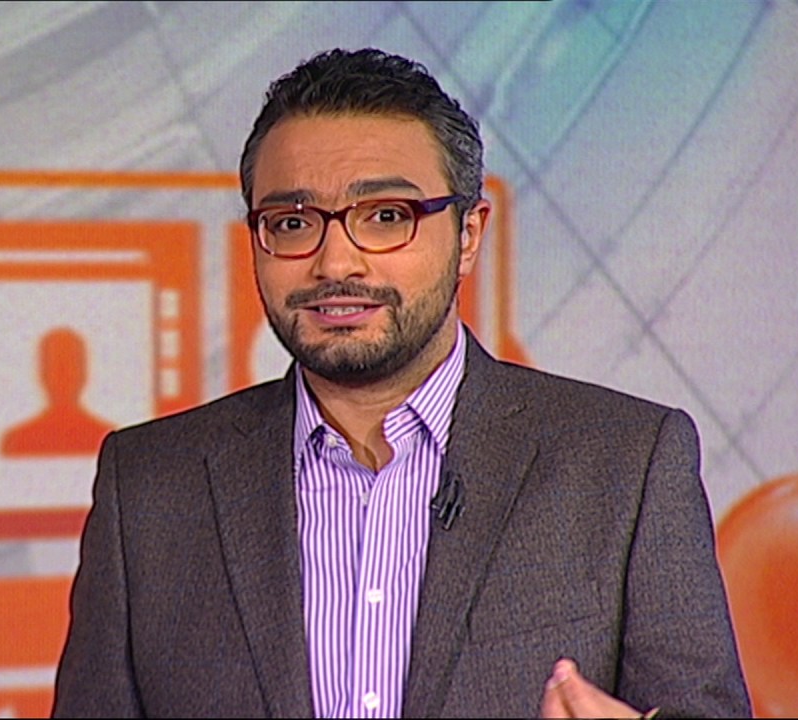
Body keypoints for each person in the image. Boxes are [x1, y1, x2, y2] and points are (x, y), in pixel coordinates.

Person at [52, 48, 751, 719]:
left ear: (468, 234)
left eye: (386, 217)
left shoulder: (625, 463)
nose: (336, 264)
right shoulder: (149, 486)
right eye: (292, 223)